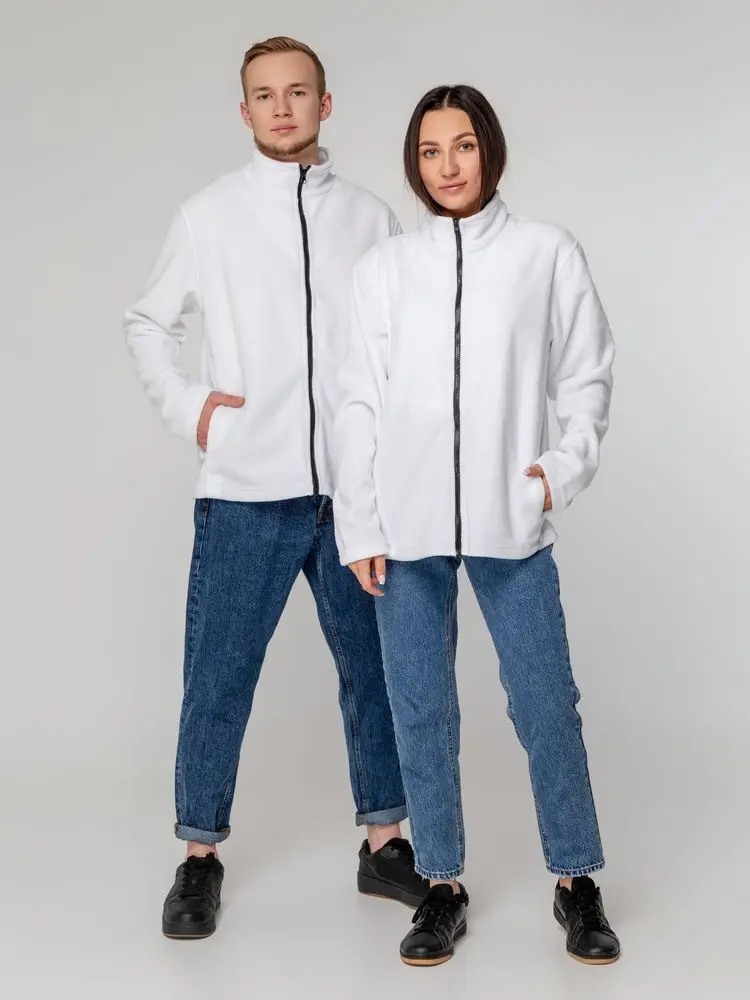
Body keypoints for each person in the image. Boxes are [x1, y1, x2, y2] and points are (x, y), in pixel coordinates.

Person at [124, 36, 427, 940]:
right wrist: (195, 411)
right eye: (265, 95)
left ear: (325, 105)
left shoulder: (370, 218)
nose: (282, 108)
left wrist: (396, 454)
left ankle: (385, 845)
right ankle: (199, 857)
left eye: (298, 93)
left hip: (353, 497)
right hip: (245, 492)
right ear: (245, 110)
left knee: (374, 673)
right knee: (217, 677)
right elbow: (148, 323)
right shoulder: (208, 215)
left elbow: (405, 343)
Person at [334, 84, 621, 967]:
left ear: (489, 149)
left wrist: (558, 470)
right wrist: (360, 524)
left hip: (511, 518)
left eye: (462, 146)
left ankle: (576, 881)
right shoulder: (385, 268)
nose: (447, 166)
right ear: (414, 162)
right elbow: (357, 400)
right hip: (405, 526)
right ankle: (442, 884)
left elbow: (587, 374)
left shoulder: (545, 252)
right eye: (430, 151)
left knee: (545, 703)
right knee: (421, 708)